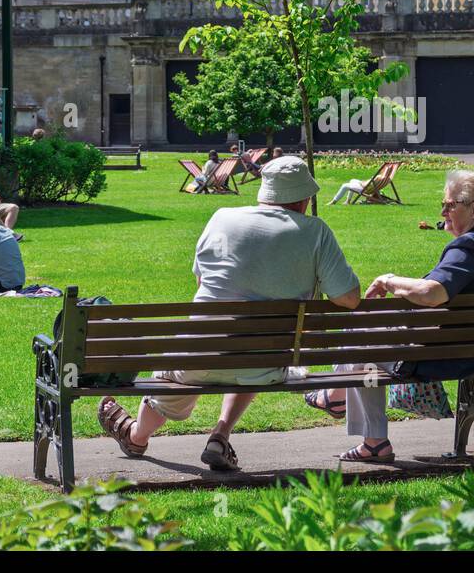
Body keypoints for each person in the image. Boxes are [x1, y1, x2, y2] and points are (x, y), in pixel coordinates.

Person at [96, 156, 361, 472]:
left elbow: (201, 280)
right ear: (304, 199)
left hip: (198, 357)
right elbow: (348, 298)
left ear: (265, 193)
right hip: (264, 365)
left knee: (186, 364)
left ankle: (137, 436)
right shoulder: (315, 231)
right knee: (251, 351)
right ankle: (219, 435)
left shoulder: (222, 217)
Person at [305, 170, 474, 462]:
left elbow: (432, 293)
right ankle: (361, 425)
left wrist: (389, 280)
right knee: (366, 337)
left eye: (450, 205)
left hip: (443, 357)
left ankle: (340, 400)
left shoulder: (468, 246)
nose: (443, 211)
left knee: (359, 333)